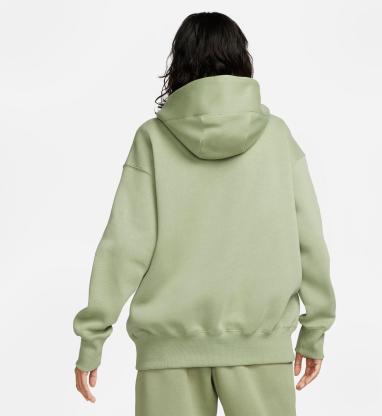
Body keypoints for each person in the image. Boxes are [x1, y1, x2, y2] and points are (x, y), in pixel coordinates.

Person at [73, 11, 336, 416]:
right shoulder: (277, 138)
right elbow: (310, 240)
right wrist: (314, 329)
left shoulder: (153, 140)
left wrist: (93, 337)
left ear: (179, 64)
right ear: (242, 60)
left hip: (168, 351)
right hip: (260, 346)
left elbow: (125, 245)